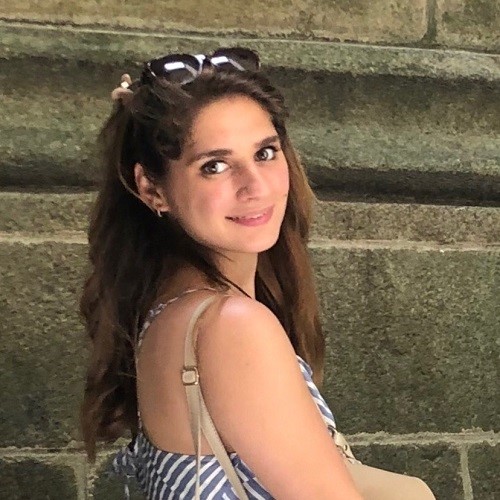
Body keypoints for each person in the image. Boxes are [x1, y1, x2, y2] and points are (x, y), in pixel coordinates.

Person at [80, 48, 435, 499]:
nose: (255, 185)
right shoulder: (231, 327)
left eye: (265, 153)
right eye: (214, 166)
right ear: (152, 188)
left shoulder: (166, 313)